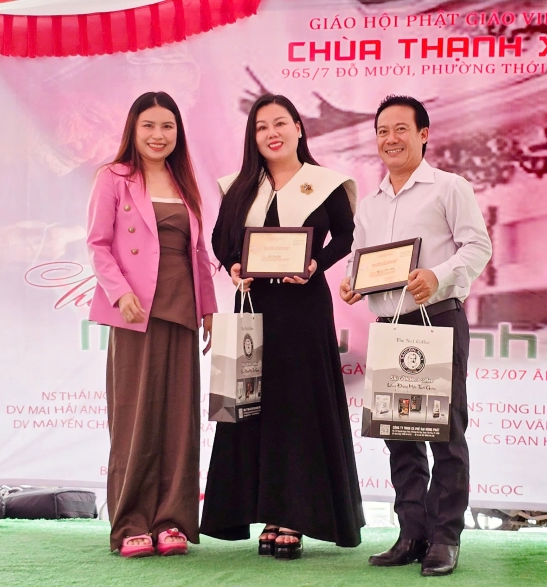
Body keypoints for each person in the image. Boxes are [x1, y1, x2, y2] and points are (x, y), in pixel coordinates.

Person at [201, 94, 364, 558]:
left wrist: (316, 265)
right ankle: (264, 512)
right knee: (251, 406)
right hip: (254, 305)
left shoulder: (326, 183)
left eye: (279, 123)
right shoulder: (238, 186)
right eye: (261, 127)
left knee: (298, 407)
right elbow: (220, 239)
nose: (271, 133)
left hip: (304, 307)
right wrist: (234, 266)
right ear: (252, 137)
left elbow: (346, 235)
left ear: (298, 127)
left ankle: (293, 515)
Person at [339, 95, 492, 577]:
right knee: (400, 436)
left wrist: (437, 275)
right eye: (382, 131)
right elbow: (360, 258)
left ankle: (445, 537)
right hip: (390, 327)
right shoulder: (370, 204)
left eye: (401, 129)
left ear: (424, 134)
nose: (391, 139)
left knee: (445, 433)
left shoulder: (449, 187)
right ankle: (411, 533)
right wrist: (351, 281)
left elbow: (478, 246)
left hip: (438, 320)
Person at [86, 91, 217, 557]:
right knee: (135, 419)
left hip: (182, 312)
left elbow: (197, 252)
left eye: (167, 126)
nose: (158, 135)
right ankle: (131, 522)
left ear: (178, 132)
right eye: (149, 126)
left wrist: (208, 308)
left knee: (179, 423)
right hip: (134, 313)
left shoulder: (185, 182)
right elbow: (98, 244)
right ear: (133, 130)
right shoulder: (113, 177)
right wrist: (120, 292)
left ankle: (172, 521)